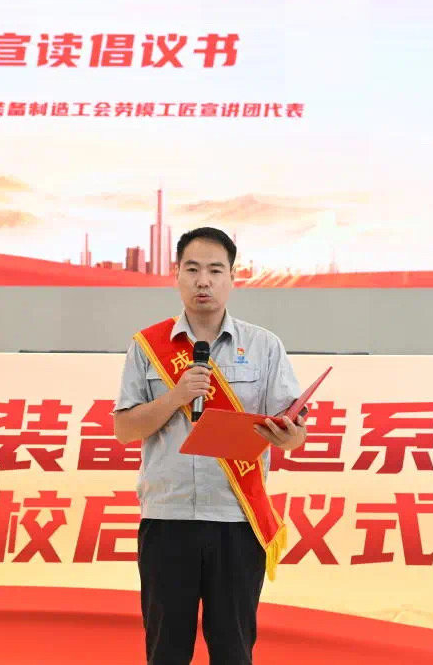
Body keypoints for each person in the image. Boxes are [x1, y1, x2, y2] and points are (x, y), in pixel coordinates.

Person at [113, 227, 307, 665]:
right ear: (176, 275)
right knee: (166, 651)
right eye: (193, 269)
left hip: (235, 520)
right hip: (168, 520)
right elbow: (124, 429)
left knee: (233, 651)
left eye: (216, 270)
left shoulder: (264, 346)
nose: (204, 281)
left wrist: (289, 435)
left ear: (232, 278)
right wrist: (175, 397)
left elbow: (296, 431)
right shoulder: (147, 346)